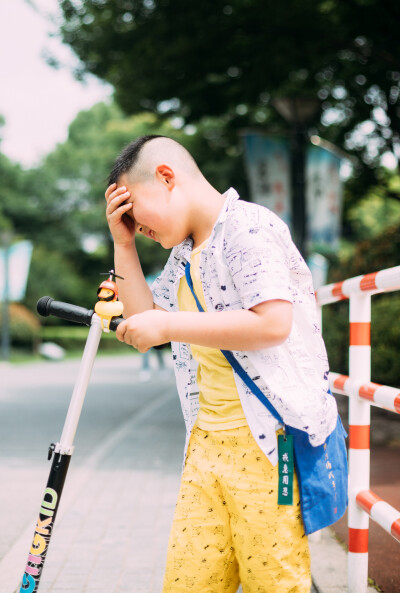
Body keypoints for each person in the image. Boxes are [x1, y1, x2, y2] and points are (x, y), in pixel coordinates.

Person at [105, 135, 338, 593]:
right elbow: (144, 319)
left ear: (167, 178)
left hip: (269, 447)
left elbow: (272, 323)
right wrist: (123, 245)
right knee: (189, 582)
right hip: (206, 444)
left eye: (134, 213)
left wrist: (170, 326)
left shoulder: (247, 228)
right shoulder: (183, 256)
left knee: (273, 583)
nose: (136, 226)